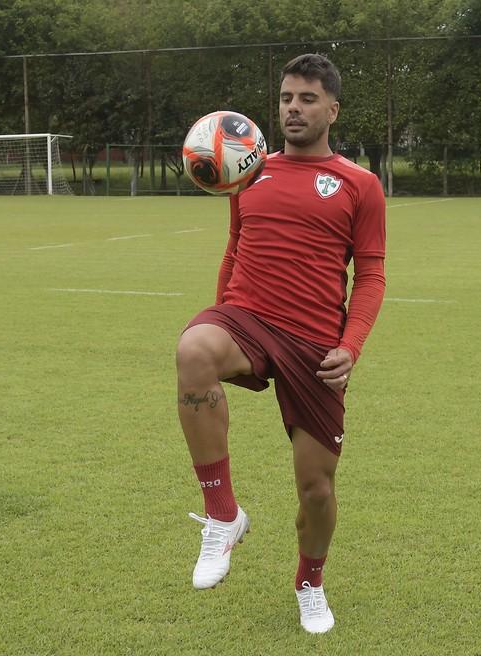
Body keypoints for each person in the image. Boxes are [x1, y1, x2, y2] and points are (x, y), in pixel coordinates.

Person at [176, 53, 386, 634]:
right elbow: (234, 250)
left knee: (316, 490)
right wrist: (220, 314)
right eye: (287, 98)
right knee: (194, 350)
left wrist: (352, 346)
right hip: (247, 317)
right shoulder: (247, 173)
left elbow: (371, 276)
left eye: (308, 99)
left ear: (332, 110)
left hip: (315, 345)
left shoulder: (359, 185)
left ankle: (310, 583)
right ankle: (223, 515)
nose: (294, 108)